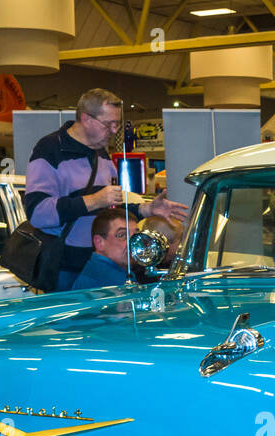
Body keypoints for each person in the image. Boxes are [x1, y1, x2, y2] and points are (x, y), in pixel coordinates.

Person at [24, 88, 185, 291]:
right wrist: (94, 200)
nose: (114, 130)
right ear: (86, 119)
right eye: (108, 124)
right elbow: (38, 213)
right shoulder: (49, 149)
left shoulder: (100, 154)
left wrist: (147, 209)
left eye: (116, 123)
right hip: (63, 269)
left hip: (98, 267)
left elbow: (109, 211)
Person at [71, 209, 133, 289]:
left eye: (135, 235)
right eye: (122, 235)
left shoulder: (120, 270)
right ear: (99, 242)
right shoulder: (105, 281)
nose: (133, 243)